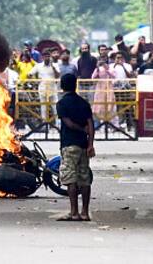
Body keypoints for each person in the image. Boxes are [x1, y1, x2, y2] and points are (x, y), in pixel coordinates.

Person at [56, 74, 95, 221]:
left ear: (62, 86)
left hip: (69, 145)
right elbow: (90, 125)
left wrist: (80, 129)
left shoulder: (61, 104)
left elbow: (69, 124)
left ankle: (74, 213)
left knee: (70, 179)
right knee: (84, 178)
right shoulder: (84, 103)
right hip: (83, 146)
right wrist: (90, 144)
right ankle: (85, 213)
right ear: (75, 85)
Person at [29, 49, 61, 124]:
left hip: (53, 89)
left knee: (55, 106)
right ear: (42, 57)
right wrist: (34, 81)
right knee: (43, 107)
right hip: (42, 89)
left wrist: (53, 67)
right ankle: (44, 124)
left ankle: (58, 125)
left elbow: (58, 75)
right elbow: (30, 74)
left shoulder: (55, 65)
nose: (47, 58)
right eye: (45, 56)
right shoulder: (38, 66)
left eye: (48, 56)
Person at [91, 60, 116, 126]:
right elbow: (93, 78)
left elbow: (113, 76)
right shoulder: (97, 69)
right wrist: (97, 70)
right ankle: (101, 123)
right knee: (100, 105)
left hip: (109, 87)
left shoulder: (111, 68)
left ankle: (110, 123)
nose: (103, 64)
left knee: (110, 104)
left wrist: (107, 70)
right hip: (100, 88)